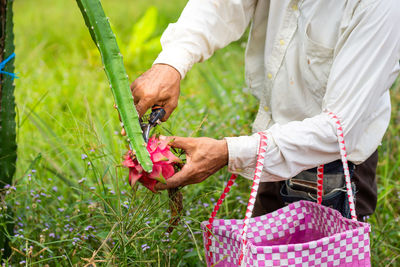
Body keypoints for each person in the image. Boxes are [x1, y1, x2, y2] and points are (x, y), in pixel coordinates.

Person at [130, 0, 400, 220]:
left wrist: (228, 153)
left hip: (333, 172)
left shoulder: (378, 6)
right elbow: (221, 5)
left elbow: (339, 131)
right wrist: (171, 63)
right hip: (269, 147)